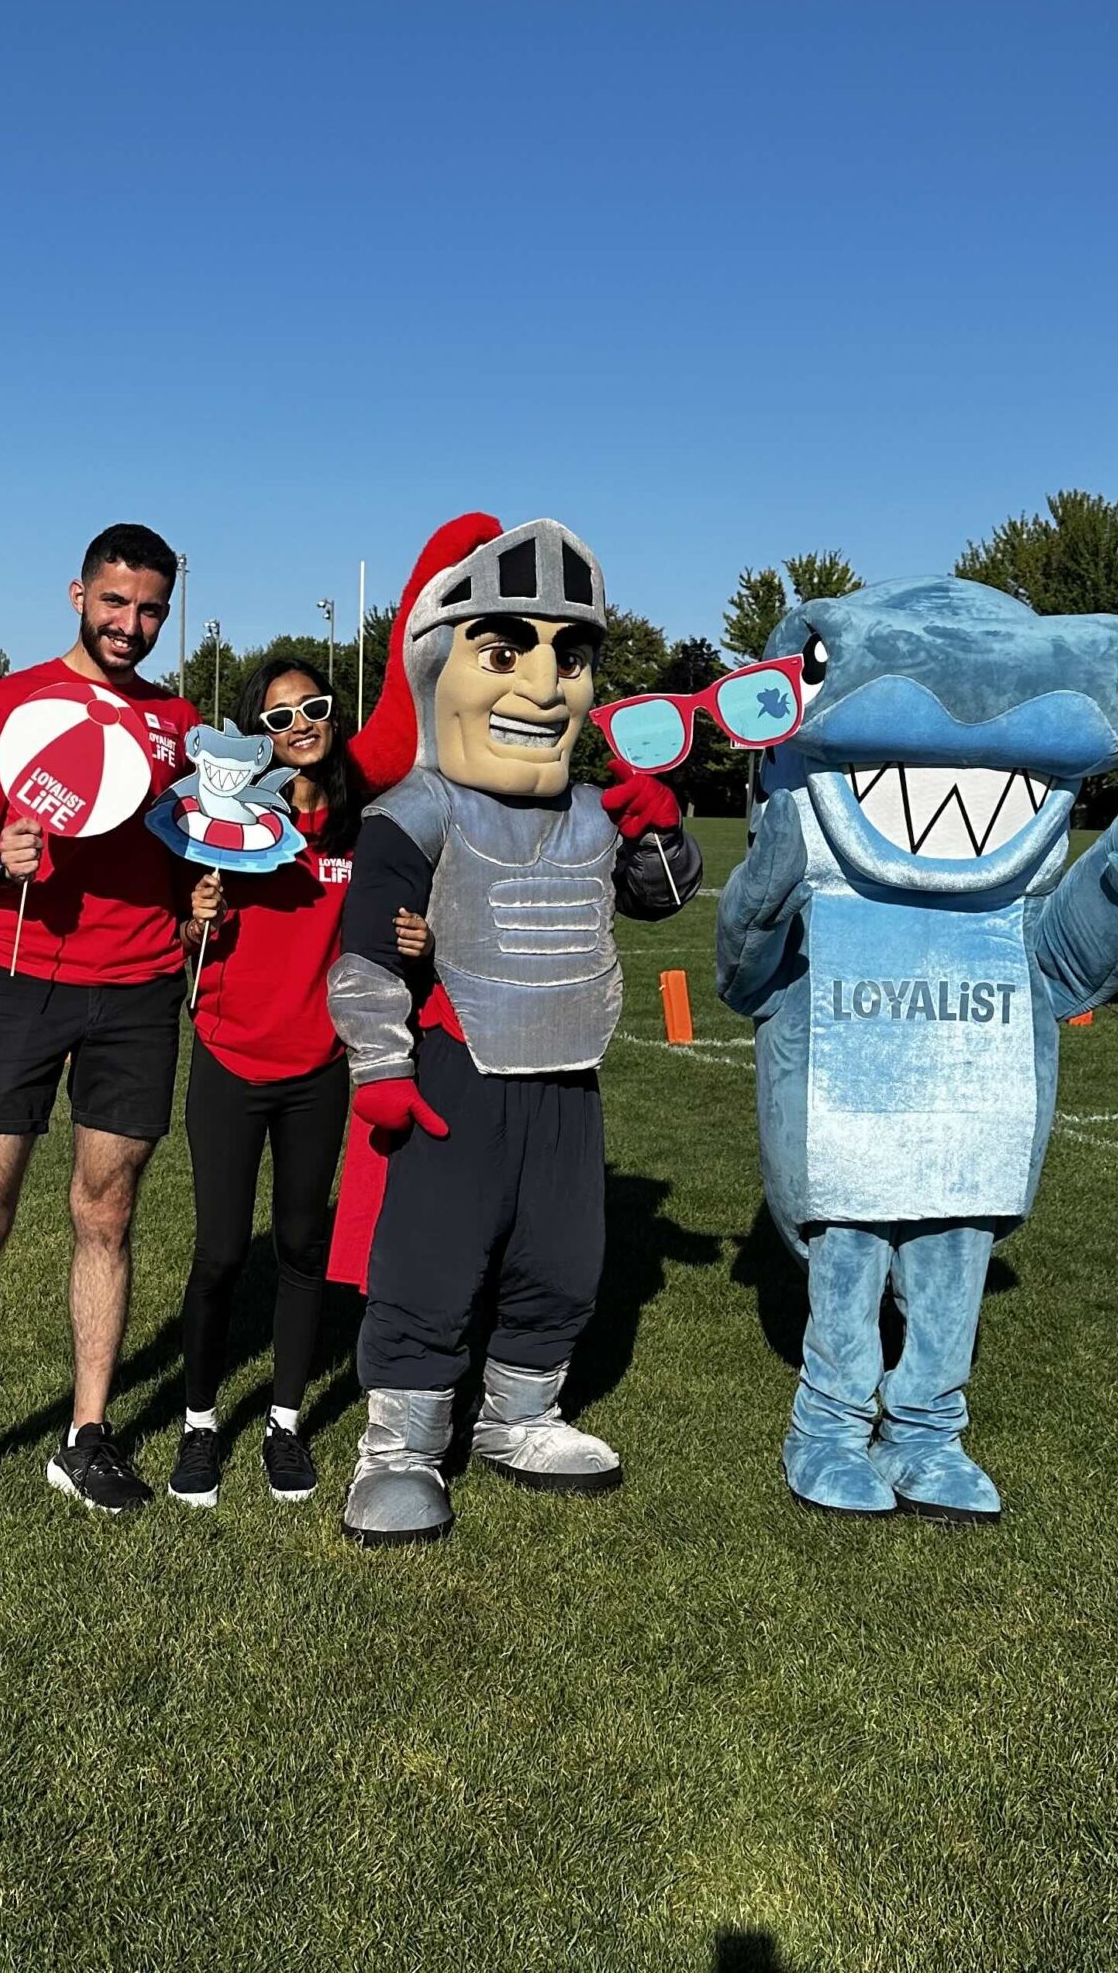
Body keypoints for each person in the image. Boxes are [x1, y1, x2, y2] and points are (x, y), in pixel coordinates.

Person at [323, 513, 702, 1547]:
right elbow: (360, 954)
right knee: (432, 1259)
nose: (544, 682)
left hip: (566, 1072)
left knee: (562, 1255)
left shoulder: (589, 811)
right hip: (458, 1069)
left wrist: (658, 824)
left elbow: (662, 895)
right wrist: (380, 1066)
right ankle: (398, 1445)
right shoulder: (415, 808)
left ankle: (518, 1416)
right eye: (506, 651)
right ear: (440, 664)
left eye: (568, 654)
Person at [0, 522, 197, 1547]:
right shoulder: (4, 706)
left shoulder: (177, 723)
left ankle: (85, 1434)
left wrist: (202, 898)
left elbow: (189, 850)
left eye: (148, 608)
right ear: (76, 594)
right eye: (114, 602)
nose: (129, 625)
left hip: (140, 992)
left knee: (105, 1214)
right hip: (21, 986)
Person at [166, 655, 431, 1510]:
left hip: (320, 1070)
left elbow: (395, 942)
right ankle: (200, 1423)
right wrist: (194, 917)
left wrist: (419, 946)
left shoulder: (365, 831)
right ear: (256, 735)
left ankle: (284, 1421)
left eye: (312, 707)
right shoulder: (227, 828)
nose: (299, 726)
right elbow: (182, 947)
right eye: (277, 717)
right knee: (217, 1254)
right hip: (229, 1059)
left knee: (302, 1250)